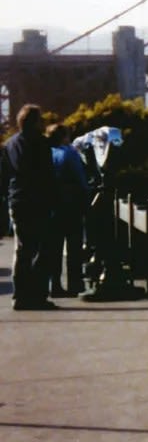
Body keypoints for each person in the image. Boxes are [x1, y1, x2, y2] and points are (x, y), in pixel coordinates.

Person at [4, 104, 59, 310]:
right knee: (43, 250)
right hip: (39, 202)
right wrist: (55, 200)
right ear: (35, 121)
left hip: (17, 200)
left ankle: (20, 296)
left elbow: (5, 176)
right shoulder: (41, 143)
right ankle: (37, 296)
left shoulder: (9, 144)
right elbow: (47, 174)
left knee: (22, 250)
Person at [46, 123, 90, 297]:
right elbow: (80, 178)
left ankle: (54, 285)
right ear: (64, 136)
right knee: (74, 247)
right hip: (71, 205)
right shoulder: (70, 153)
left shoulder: (46, 154)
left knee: (54, 248)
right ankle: (75, 284)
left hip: (52, 205)